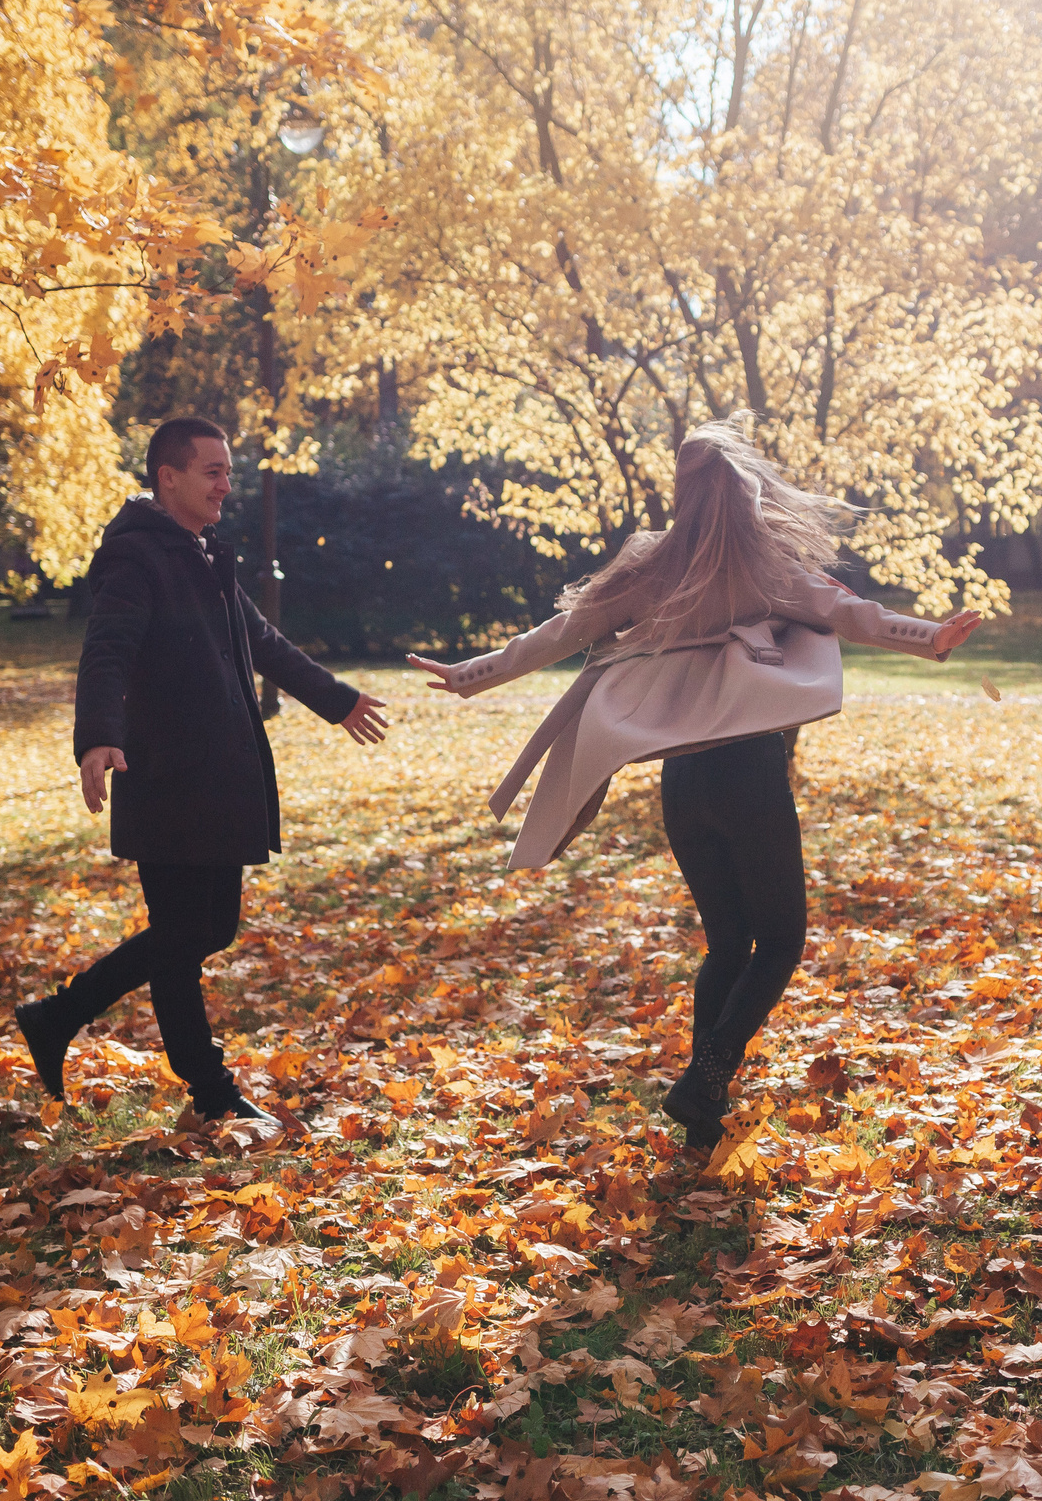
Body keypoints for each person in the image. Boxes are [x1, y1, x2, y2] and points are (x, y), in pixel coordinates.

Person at [409, 420, 977, 1154]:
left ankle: (702, 1112)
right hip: (748, 772)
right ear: (745, 489)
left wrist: (472, 673)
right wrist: (928, 636)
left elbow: (561, 631)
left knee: (725, 944)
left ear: (680, 491)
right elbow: (847, 612)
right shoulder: (761, 565)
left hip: (683, 782)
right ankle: (706, 1076)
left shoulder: (650, 566)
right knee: (778, 940)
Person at [16, 416, 389, 1123]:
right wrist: (97, 736)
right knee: (193, 931)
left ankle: (70, 1023)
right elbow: (107, 651)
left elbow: (262, 641)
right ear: (170, 478)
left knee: (191, 933)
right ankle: (190, 1079)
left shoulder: (204, 551)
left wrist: (335, 700)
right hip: (167, 777)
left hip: (215, 775)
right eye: (213, 471)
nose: (227, 485)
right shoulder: (137, 558)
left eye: (227, 470)